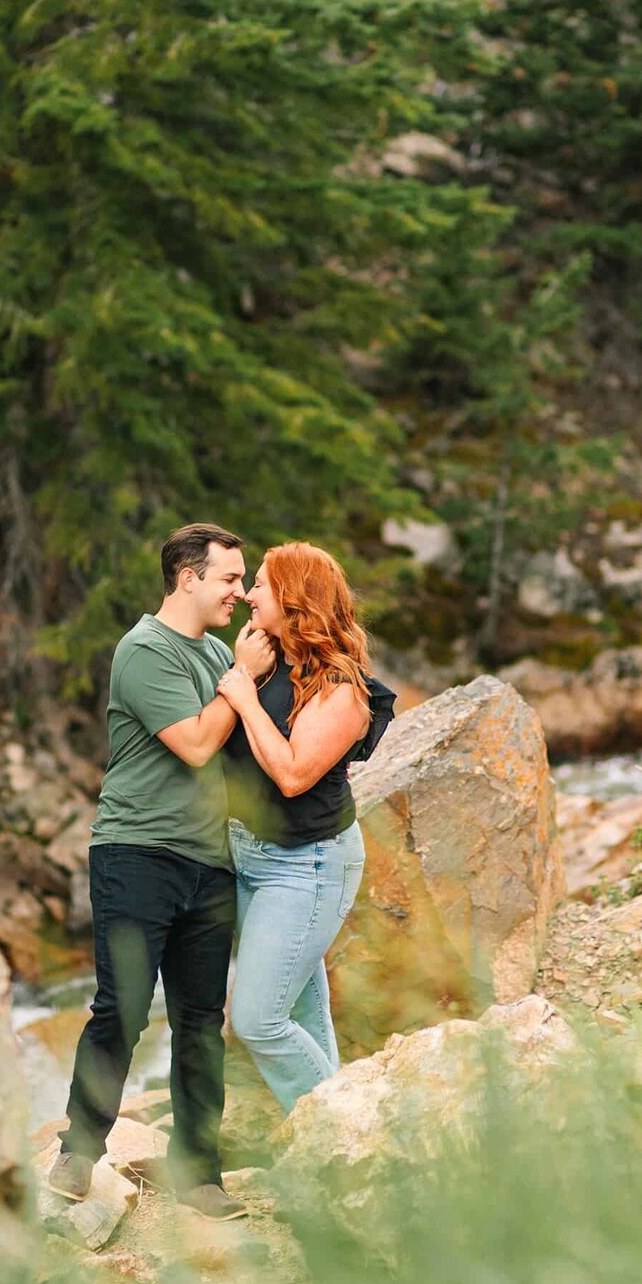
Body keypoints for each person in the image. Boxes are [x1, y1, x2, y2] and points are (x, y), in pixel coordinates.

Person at [48, 522, 274, 1220]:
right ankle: (79, 1149)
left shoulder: (217, 654)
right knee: (121, 1007)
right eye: (229, 579)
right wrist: (242, 681)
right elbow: (199, 744)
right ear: (187, 578)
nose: (239, 592)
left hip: (210, 862)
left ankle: (198, 1172)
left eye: (242, 581)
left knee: (201, 1023)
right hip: (137, 853)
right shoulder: (145, 650)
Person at [216, 542, 395, 1113]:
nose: (248, 594)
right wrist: (249, 676)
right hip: (250, 856)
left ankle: (349, 1130)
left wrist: (242, 694)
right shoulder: (271, 660)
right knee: (296, 1012)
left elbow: (293, 775)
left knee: (258, 1019)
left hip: (307, 865)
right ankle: (337, 1154)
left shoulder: (341, 688)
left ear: (295, 600)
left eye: (261, 585)